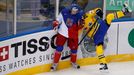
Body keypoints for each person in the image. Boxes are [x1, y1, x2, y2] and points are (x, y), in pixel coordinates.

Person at [83, 3, 132, 70]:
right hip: (95, 35)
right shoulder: (77, 25)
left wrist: (98, 11)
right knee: (98, 47)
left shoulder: (87, 15)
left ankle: (124, 12)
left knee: (109, 16)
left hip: (100, 27)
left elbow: (96, 10)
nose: (80, 22)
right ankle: (103, 63)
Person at [51, 4, 84, 71]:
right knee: (59, 48)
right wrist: (56, 22)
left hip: (73, 34)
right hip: (62, 33)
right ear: (70, 9)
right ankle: (55, 64)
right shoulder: (64, 12)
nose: (74, 12)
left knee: (74, 50)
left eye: (76, 11)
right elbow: (58, 20)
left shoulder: (79, 15)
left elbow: (81, 25)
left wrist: (82, 24)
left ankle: (73, 62)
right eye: (73, 11)